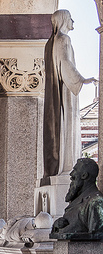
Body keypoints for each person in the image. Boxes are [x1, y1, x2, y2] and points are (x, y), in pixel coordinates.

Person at [43, 10, 98, 178]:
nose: (73, 21)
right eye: (70, 18)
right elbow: (66, 64)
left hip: (56, 90)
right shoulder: (64, 39)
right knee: (68, 123)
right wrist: (82, 80)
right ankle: (68, 164)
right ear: (64, 20)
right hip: (65, 89)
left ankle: (57, 165)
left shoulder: (50, 43)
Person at [52, 158, 103, 235]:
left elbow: (96, 236)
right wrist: (56, 225)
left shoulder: (96, 201)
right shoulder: (78, 199)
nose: (71, 174)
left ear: (84, 175)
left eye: (75, 170)